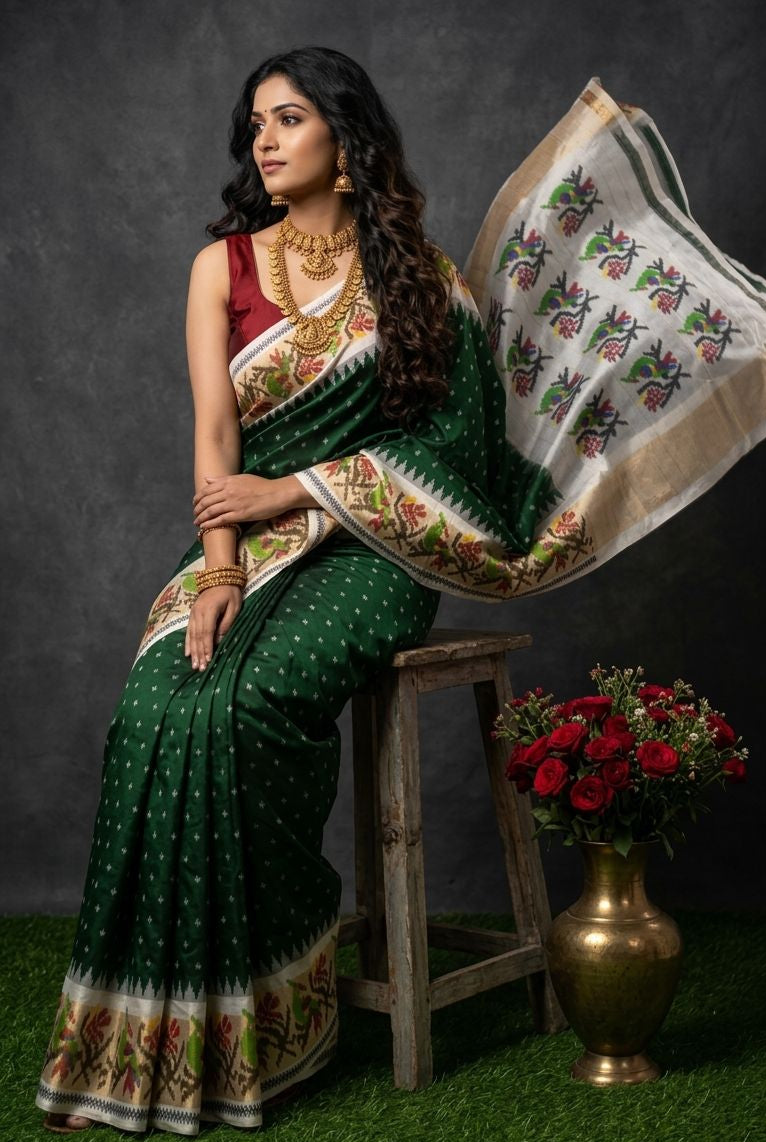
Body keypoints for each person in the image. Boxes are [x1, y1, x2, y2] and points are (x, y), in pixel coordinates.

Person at [37, 46, 534, 1135]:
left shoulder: (420, 278)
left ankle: (275, 1007)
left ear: (345, 145)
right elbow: (216, 445)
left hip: (374, 551)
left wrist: (305, 488)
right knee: (161, 704)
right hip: (244, 540)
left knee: (249, 704)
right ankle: (145, 1033)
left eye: (289, 118)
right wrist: (217, 572)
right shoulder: (223, 267)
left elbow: (456, 452)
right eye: (255, 122)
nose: (263, 140)